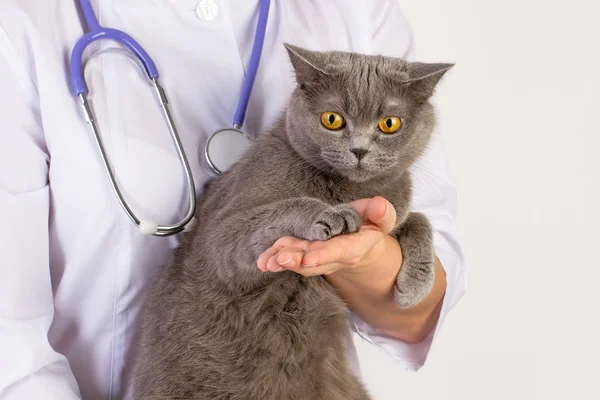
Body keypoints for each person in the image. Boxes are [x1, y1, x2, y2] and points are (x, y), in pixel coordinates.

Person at [0, 0, 467, 399]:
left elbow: (417, 311)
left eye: (386, 127)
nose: (363, 146)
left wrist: (368, 255)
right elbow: (11, 351)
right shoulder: (23, 22)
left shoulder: (352, 10)